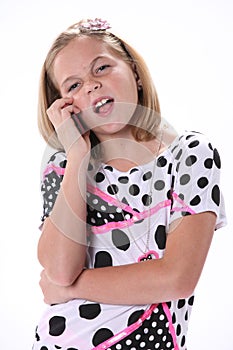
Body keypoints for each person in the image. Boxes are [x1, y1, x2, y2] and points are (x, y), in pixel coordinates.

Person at [33, 18, 226, 350]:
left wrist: (71, 290)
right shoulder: (64, 166)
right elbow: (61, 269)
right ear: (66, 107)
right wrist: (79, 156)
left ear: (134, 71)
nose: (91, 86)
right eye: (73, 86)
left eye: (102, 68)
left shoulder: (190, 156)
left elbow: (177, 279)